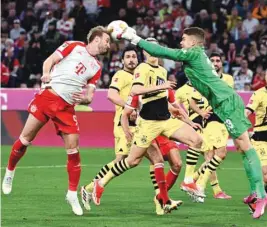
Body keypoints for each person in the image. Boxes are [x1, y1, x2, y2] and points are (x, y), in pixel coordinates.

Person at [119, 26, 267, 219]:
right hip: (222, 104)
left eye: (184, 39)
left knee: (246, 147)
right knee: (242, 147)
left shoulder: (194, 53)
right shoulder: (196, 55)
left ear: (194, 42)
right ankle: (256, 193)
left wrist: (134, 38)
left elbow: (162, 51)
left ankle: (261, 195)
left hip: (226, 102)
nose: (181, 42)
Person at [2, 26, 111, 216]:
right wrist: (46, 73)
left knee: (74, 150)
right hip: (48, 97)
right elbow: (50, 60)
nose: (109, 44)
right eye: (107, 40)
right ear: (96, 39)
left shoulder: (97, 68)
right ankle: (10, 172)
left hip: (67, 108)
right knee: (25, 139)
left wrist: (84, 99)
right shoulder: (74, 46)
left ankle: (71, 194)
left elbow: (90, 96)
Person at [92, 38, 203, 214]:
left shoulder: (162, 70)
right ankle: (101, 183)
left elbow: (169, 102)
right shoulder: (141, 68)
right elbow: (135, 91)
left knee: (197, 140)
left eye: (156, 48)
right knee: (131, 160)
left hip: (165, 121)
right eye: (149, 49)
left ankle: (185, 182)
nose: (153, 52)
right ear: (145, 52)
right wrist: (163, 87)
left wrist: (189, 121)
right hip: (148, 123)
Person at [80, 45, 139, 210]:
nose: (131, 59)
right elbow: (111, 95)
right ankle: (91, 187)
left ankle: (91, 187)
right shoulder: (121, 75)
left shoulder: (140, 77)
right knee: (123, 160)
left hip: (139, 123)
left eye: (134, 56)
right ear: (122, 61)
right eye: (127, 57)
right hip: (123, 123)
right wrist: (130, 107)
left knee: (133, 159)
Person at [121, 89, 183, 215]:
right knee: (137, 161)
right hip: (148, 129)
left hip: (165, 128)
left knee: (177, 164)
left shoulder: (166, 88)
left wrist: (186, 119)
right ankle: (97, 183)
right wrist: (127, 128)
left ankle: (161, 197)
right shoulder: (140, 88)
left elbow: (173, 106)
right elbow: (128, 112)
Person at [189, 53, 234, 201]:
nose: (215, 63)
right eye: (212, 60)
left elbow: (227, 97)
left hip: (223, 119)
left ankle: (193, 181)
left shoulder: (228, 79)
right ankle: (201, 185)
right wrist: (202, 112)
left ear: (222, 63)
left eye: (217, 60)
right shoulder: (204, 78)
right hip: (212, 119)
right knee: (218, 154)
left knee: (212, 157)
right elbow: (192, 100)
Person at [244, 71, 267, 212]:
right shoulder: (259, 94)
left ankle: (256, 199)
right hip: (261, 139)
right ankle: (258, 199)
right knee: (265, 174)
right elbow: (246, 113)